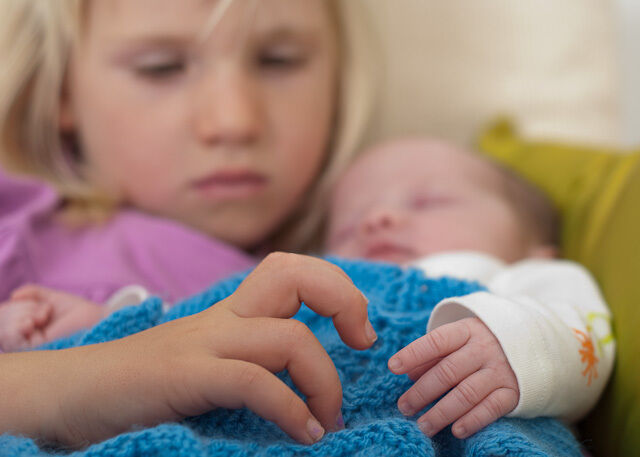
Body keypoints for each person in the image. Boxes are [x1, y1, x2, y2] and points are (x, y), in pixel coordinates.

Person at [0, 0, 376, 447]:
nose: (235, 121)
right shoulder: (20, 234)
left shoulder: (387, 237)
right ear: (59, 90)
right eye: (161, 68)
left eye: (279, 60)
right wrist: (95, 379)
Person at [326, 138, 615, 439]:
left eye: (428, 203)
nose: (374, 219)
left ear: (532, 250)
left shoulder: (524, 277)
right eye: (347, 226)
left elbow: (585, 338)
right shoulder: (323, 284)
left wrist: (515, 346)